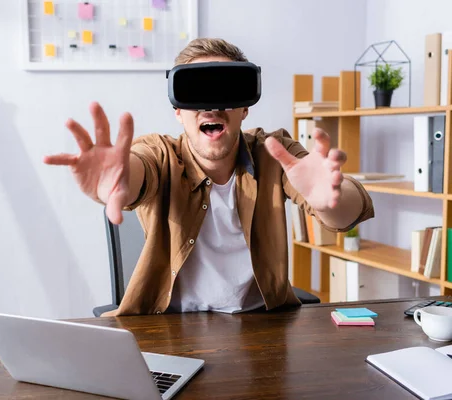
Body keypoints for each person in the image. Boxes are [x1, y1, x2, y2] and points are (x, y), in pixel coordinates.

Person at [44, 38, 374, 317]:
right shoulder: (161, 155)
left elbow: (344, 213)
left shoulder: (273, 153)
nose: (211, 107)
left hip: (262, 327)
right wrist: (119, 181)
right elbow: (138, 172)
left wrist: (332, 200)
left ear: (245, 107)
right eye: (196, 92)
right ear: (178, 110)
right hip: (170, 327)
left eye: (225, 90)